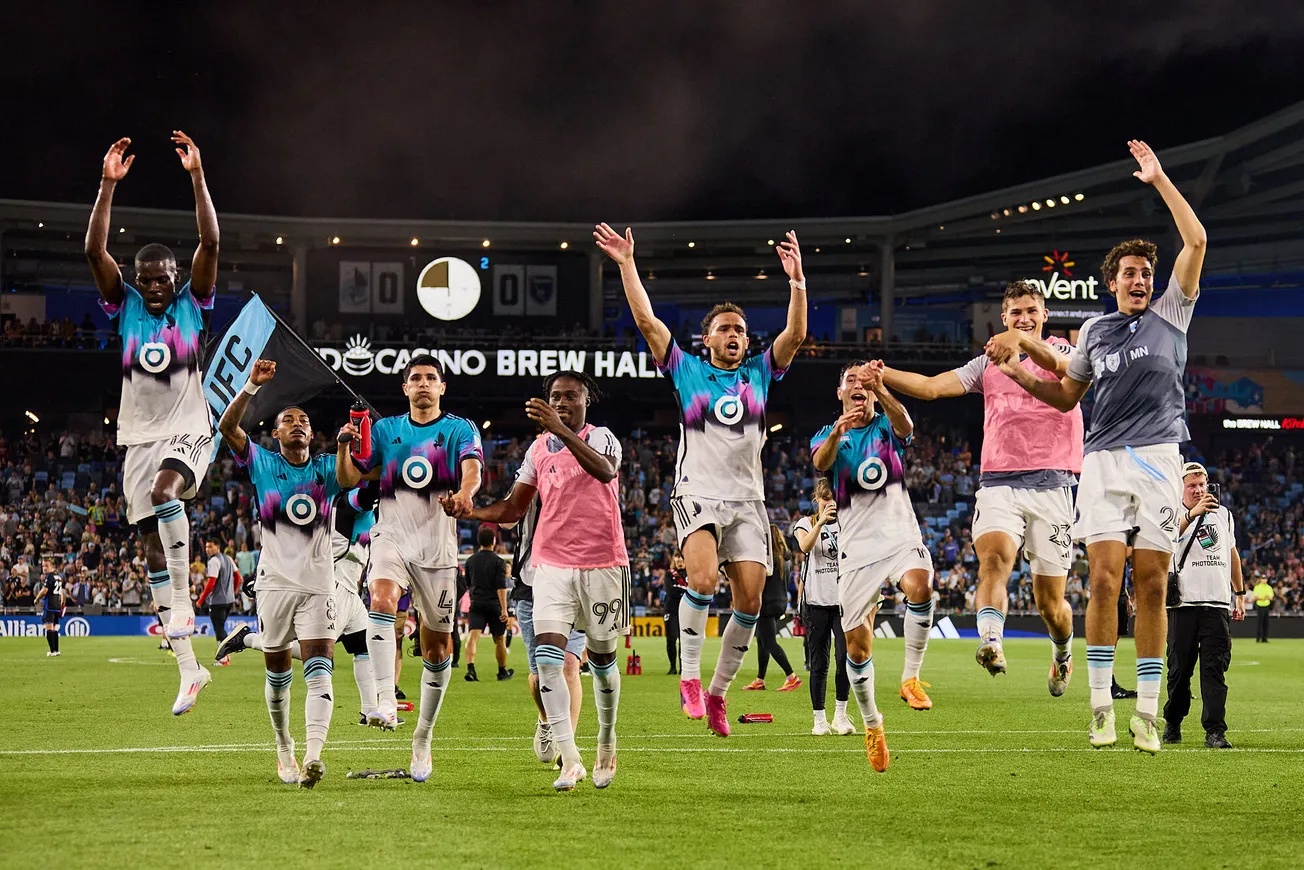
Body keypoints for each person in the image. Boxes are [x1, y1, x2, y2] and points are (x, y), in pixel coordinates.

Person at [994, 140, 1207, 754]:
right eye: (1130, 273)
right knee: (1107, 583)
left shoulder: (1173, 313)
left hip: (1162, 457)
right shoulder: (1093, 331)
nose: (1140, 279)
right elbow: (1065, 396)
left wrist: (1160, 179)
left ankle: (1145, 712)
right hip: (1105, 462)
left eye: (1146, 271)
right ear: (1112, 283)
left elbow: (1194, 242)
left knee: (1153, 584)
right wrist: (1019, 374)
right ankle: (1097, 709)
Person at [594, 222, 807, 738]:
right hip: (698, 493)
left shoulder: (760, 372)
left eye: (740, 330)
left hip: (749, 501)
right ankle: (689, 677)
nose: (735, 335)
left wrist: (797, 280)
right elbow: (646, 321)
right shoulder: (685, 369)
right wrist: (627, 264)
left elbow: (796, 335)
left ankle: (716, 693)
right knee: (706, 581)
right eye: (725, 329)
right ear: (707, 339)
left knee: (751, 603)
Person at [883, 280, 1081, 693]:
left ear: (1044, 315)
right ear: (1004, 318)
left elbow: (1067, 375)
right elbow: (932, 387)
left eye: (1031, 311)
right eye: (1015, 313)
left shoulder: (1062, 350)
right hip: (999, 482)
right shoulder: (986, 365)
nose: (1024, 319)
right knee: (994, 561)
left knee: (1049, 604)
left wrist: (1018, 342)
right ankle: (991, 641)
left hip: (1054, 485)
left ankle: (1062, 653)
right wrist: (884, 373)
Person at [84, 132, 219, 715]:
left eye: (166, 277)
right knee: (149, 548)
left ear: (177, 278)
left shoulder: (195, 301)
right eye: (150, 278)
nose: (158, 285)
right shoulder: (126, 304)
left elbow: (210, 239)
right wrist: (107, 186)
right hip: (137, 437)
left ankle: (186, 608)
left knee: (168, 491)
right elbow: (95, 253)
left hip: (190, 426)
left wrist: (196, 177)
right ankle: (190, 670)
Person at [469, 371, 627, 790]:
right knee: (549, 663)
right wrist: (469, 510)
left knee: (605, 665)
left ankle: (606, 740)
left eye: (570, 396)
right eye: (555, 397)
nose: (562, 402)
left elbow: (606, 472)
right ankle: (570, 758)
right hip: (551, 567)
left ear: (586, 400)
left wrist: (560, 429)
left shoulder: (603, 437)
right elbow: (513, 507)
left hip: (603, 565)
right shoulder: (538, 450)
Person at [336, 354, 483, 783]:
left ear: (442, 388)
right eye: (415, 378)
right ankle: (383, 699)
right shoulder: (385, 431)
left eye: (430, 378)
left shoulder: (459, 429)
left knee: (438, 650)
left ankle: (423, 737)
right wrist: (346, 444)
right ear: (404, 388)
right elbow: (350, 481)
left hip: (437, 550)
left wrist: (466, 495)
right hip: (391, 538)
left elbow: (472, 470)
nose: (423, 383)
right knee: (381, 598)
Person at [217, 359, 340, 788]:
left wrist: (350, 444)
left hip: (318, 584)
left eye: (304, 420)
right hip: (274, 584)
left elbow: (362, 470)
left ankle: (313, 754)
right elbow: (228, 428)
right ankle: (283, 744)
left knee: (320, 662)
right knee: (277, 672)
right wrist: (251, 385)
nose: (298, 424)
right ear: (276, 433)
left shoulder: (328, 469)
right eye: (288, 420)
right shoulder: (263, 463)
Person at [812, 361, 934, 773]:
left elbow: (905, 424)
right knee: (857, 648)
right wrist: (837, 432)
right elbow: (820, 463)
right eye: (851, 381)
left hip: (899, 536)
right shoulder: (829, 435)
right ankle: (872, 725)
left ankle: (910, 678)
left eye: (863, 382)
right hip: (857, 551)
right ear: (840, 392)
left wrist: (882, 389)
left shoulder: (885, 425)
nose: (858, 387)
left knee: (921, 587)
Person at [217, 485, 384, 728]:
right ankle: (248, 639)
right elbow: (368, 495)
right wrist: (387, 472)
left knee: (364, 647)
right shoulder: (347, 502)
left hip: (351, 591)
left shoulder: (343, 509)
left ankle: (369, 712)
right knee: (318, 653)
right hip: (334, 586)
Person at [503, 487, 586, 768]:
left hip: (572, 580)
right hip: (530, 583)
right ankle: (545, 718)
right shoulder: (528, 476)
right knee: (539, 675)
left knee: (570, 666)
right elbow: (505, 519)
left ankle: (568, 747)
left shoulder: (581, 472)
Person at [1163, 462, 1244, 749]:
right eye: (1191, 485)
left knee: (1214, 670)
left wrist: (1240, 592)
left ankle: (1215, 731)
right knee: (1179, 670)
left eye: (1202, 484)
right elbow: (1165, 542)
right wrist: (1190, 515)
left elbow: (1232, 553)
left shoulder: (1224, 515)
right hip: (1182, 604)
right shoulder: (1169, 512)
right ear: (1181, 487)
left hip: (1217, 603)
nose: (1198, 490)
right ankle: (1173, 721)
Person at [793, 479, 854, 736]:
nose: (830, 503)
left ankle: (840, 715)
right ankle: (819, 719)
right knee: (819, 664)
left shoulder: (848, 523)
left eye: (834, 498)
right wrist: (820, 522)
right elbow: (805, 546)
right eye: (825, 498)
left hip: (843, 603)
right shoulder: (804, 524)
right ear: (816, 499)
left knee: (845, 660)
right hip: (816, 602)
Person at [742, 525, 802, 693]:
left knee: (768, 642)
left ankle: (791, 677)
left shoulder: (767, 559)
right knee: (762, 640)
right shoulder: (786, 557)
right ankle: (760, 680)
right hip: (780, 602)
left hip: (766, 603)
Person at [463, 527, 514, 682]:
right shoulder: (499, 562)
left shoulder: (470, 561)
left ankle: (471, 669)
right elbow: (501, 587)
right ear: (493, 541)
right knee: (499, 639)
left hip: (477, 603)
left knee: (472, 637)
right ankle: (501, 671)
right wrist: (504, 609)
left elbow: (468, 584)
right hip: (494, 604)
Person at [198, 539, 238, 660]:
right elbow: (238, 577)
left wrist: (201, 599)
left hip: (218, 601)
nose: (207, 549)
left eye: (210, 547)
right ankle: (224, 657)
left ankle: (224, 657)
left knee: (219, 628)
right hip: (229, 601)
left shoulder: (214, 561)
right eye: (206, 547)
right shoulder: (228, 558)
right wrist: (233, 592)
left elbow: (211, 583)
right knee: (220, 627)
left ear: (217, 547)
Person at [33, 556, 66, 657]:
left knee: (48, 628)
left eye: (47, 566)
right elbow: (61, 593)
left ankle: (52, 651)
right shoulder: (58, 577)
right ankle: (56, 650)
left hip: (50, 605)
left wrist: (37, 598)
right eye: (43, 566)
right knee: (54, 628)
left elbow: (44, 590)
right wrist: (61, 602)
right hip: (56, 605)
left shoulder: (49, 576)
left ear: (52, 566)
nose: (44, 568)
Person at [663, 552, 688, 674]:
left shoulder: (690, 573)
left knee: (684, 640)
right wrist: (684, 589)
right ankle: (672, 667)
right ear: (673, 559)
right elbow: (671, 591)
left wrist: (679, 588)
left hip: (686, 610)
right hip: (671, 610)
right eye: (677, 557)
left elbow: (694, 590)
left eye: (682, 557)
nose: (680, 560)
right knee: (671, 639)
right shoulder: (669, 574)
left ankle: (683, 668)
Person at [1251, 574, 1274, 643]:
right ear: (1260, 579)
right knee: (1259, 623)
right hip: (1260, 606)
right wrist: (1264, 598)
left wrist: (1261, 598)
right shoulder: (1257, 587)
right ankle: (1258, 638)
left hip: (1266, 606)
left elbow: (1271, 597)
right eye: (1263, 578)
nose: (1264, 580)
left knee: (1266, 623)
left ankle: (1264, 638)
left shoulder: (1269, 587)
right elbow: (1255, 597)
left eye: (1265, 578)